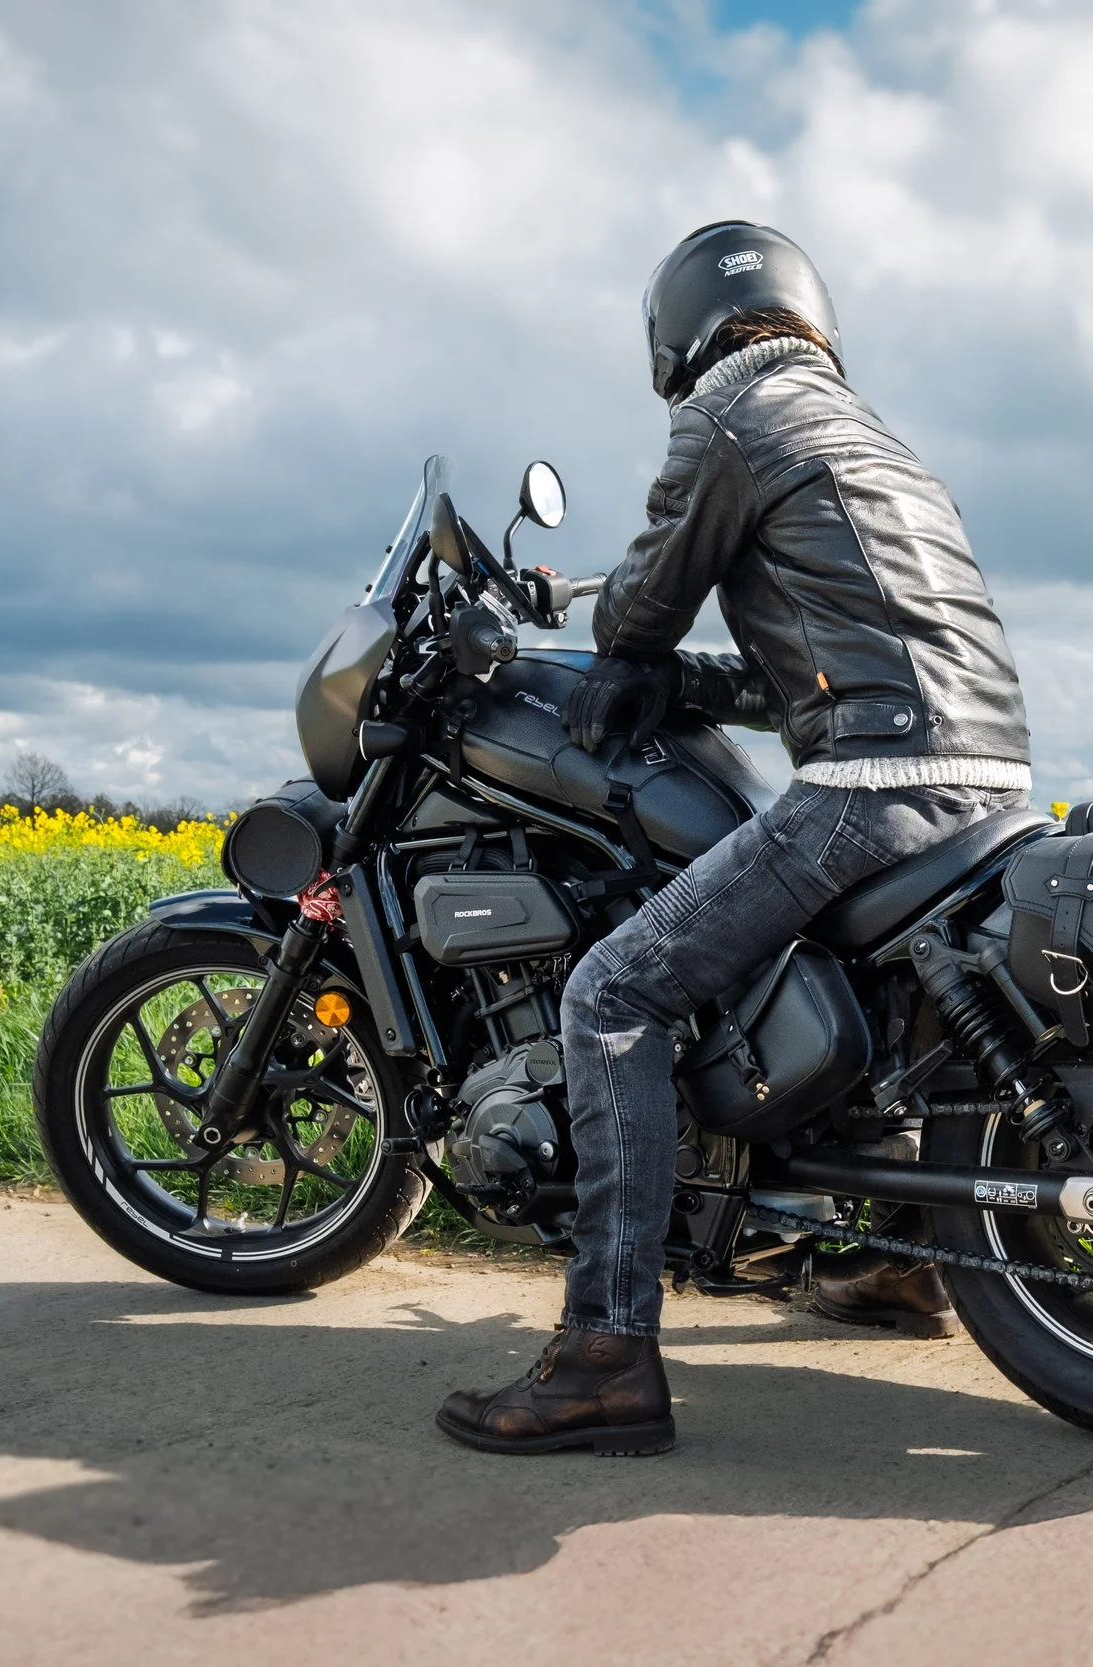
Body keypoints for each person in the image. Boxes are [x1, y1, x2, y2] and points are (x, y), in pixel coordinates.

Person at [436, 221, 1033, 1456]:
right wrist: (683, 684)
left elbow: (642, 602)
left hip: (877, 780)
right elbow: (804, 665)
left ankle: (603, 1353)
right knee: (858, 991)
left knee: (612, 992)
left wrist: (621, 652)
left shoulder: (732, 411)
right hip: (982, 773)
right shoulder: (871, 437)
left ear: (678, 331)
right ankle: (897, 1261)